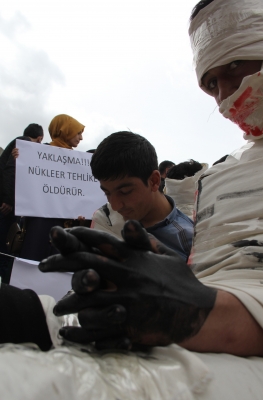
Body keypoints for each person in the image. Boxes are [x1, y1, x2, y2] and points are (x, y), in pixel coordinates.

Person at [1, 0, 263, 358]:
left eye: (236, 64)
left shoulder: (187, 224)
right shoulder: (220, 178)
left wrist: (193, 313)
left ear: (155, 181)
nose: (225, 95)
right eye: (211, 81)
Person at [90, 132, 193, 260]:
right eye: (107, 193)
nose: (115, 205)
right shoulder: (106, 218)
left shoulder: (190, 241)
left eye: (125, 191)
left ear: (154, 181)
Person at [19, 114, 85, 262]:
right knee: (34, 260)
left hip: (64, 224)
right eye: (78, 133)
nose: (81, 138)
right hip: (40, 221)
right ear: (65, 130)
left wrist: (81, 210)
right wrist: (19, 158)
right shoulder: (38, 154)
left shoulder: (80, 163)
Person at [0, 124, 44, 282]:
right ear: (39, 139)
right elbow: (11, 170)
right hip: (7, 206)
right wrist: (8, 200)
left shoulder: (17, 143)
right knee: (6, 246)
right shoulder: (24, 142)